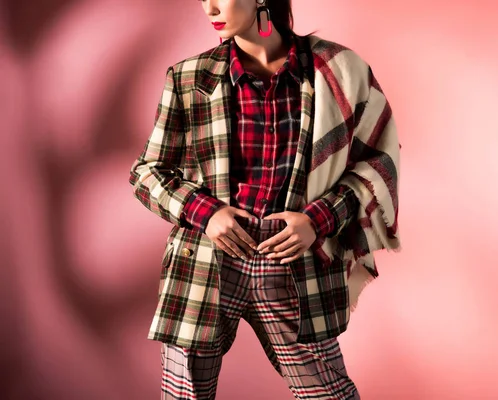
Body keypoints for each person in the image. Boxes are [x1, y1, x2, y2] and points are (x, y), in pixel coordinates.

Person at [128, 0, 401, 398]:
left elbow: (379, 163)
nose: (209, 7)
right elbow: (147, 171)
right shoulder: (189, 78)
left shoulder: (337, 72)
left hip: (293, 264)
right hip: (207, 265)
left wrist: (318, 220)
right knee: (184, 395)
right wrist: (206, 213)